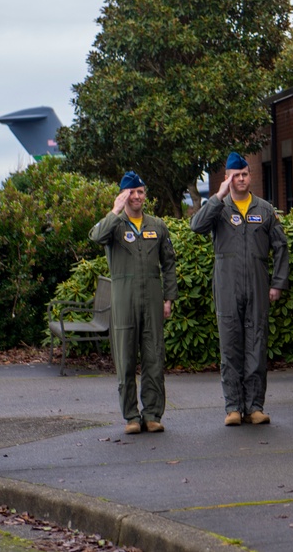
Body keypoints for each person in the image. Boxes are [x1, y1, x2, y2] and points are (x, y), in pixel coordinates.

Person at [189, 152, 289, 427]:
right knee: (230, 347)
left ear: (250, 176)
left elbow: (280, 247)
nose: (241, 179)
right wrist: (218, 196)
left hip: (257, 286)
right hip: (227, 286)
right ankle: (233, 407)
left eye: (244, 174)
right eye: (235, 175)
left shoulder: (264, 209)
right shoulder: (219, 208)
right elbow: (196, 227)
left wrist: (277, 283)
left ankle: (255, 407)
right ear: (228, 178)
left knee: (256, 346)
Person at [89, 171, 177, 435]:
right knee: (126, 360)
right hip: (124, 300)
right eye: (131, 192)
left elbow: (169, 263)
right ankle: (130, 416)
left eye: (140, 191)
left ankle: (152, 414)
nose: (137, 196)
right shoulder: (114, 226)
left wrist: (168, 297)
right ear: (123, 195)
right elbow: (96, 237)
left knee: (153, 359)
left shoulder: (157, 226)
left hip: (151, 298)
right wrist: (115, 210)